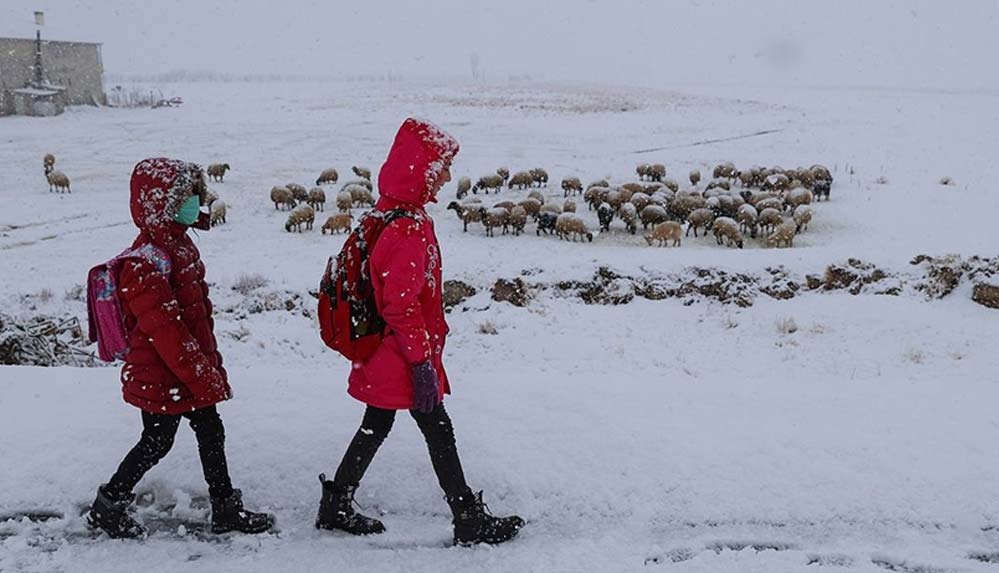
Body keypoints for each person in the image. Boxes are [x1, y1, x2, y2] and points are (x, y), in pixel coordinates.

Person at [316, 118, 524, 546]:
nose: (447, 176)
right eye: (441, 167)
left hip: (380, 349)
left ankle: (337, 502)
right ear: (421, 169)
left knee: (378, 424)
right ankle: (467, 518)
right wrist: (420, 362)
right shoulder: (408, 227)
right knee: (436, 427)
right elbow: (400, 304)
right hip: (400, 353)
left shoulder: (385, 213)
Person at [88, 158, 274, 539]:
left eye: (195, 195)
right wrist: (202, 374)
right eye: (186, 197)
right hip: (161, 373)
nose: (195, 202)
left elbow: (192, 319)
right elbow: (167, 332)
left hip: (185, 369)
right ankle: (108, 505)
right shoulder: (145, 263)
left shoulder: (179, 245)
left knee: (210, 431)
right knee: (157, 441)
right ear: (162, 204)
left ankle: (225, 508)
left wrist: (204, 368)